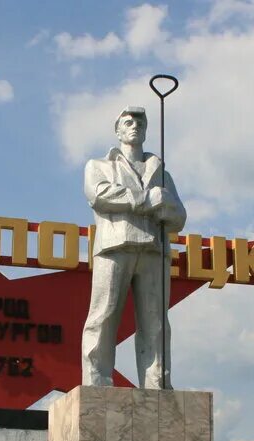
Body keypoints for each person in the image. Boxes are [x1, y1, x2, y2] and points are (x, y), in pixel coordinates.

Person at [81, 106, 186, 389]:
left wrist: (166, 206)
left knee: (156, 324)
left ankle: (157, 384)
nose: (134, 126)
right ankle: (97, 382)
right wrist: (145, 200)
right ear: (117, 131)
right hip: (115, 248)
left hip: (153, 250)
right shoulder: (98, 166)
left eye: (140, 122)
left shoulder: (161, 172)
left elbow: (179, 217)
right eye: (127, 122)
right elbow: (99, 194)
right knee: (103, 315)